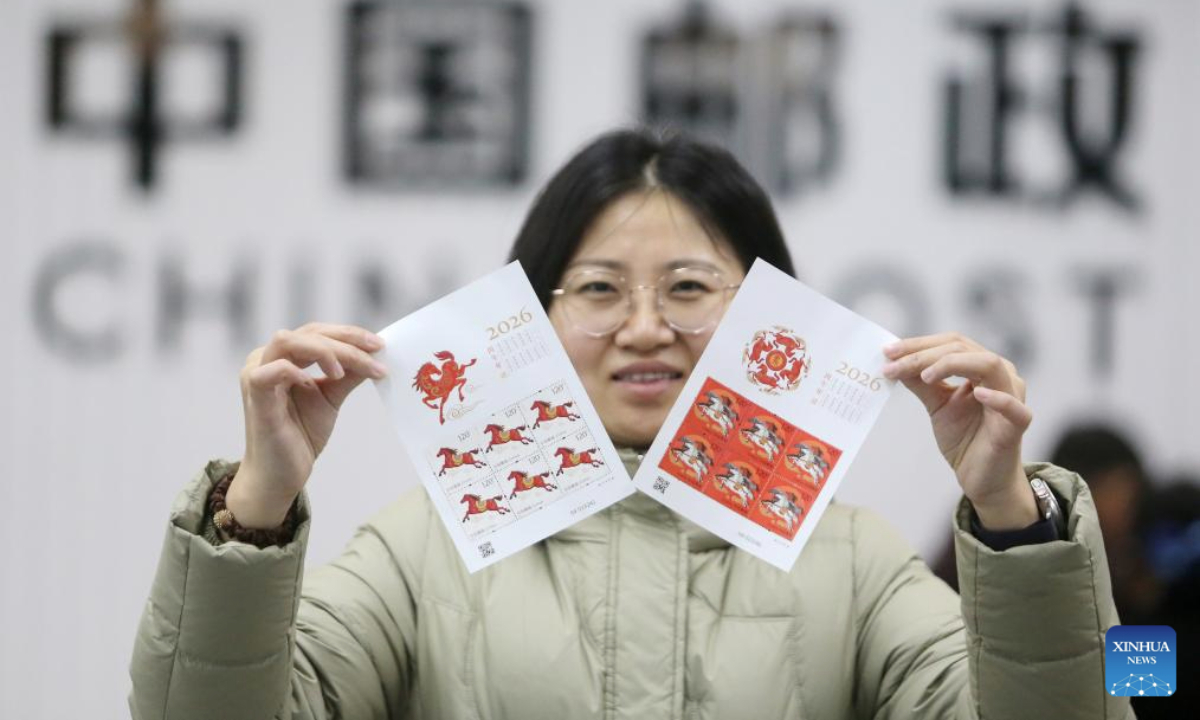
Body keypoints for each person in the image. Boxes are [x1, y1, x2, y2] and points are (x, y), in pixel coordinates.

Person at [129, 130, 1131, 720]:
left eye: (691, 286)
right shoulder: (425, 546)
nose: (646, 327)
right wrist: (256, 507)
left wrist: (1009, 515)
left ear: (768, 315)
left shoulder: (852, 560)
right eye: (600, 287)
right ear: (531, 315)